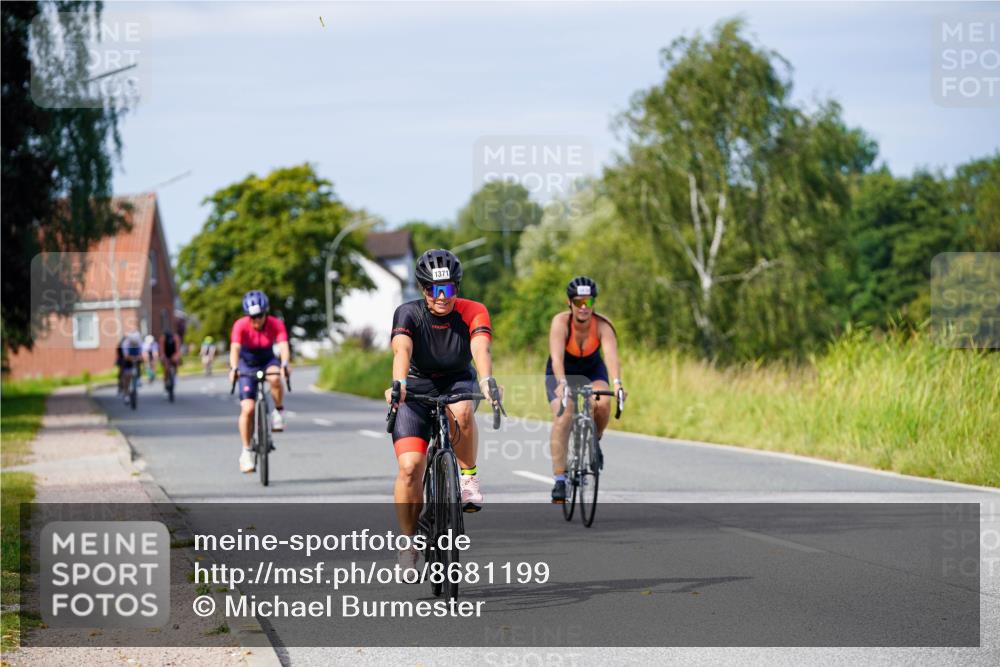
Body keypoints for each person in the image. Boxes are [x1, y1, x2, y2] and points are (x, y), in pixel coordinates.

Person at [384, 249, 502, 571]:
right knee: (410, 466)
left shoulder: (473, 310)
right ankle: (408, 545)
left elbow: (480, 346)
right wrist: (398, 383)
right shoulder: (408, 313)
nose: (441, 297)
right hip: (415, 387)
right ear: (423, 290)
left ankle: (468, 477)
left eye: (448, 289)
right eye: (434, 290)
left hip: (457, 383)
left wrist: (487, 379)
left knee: (463, 411)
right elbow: (401, 349)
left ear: (457, 289)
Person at [546, 276, 626, 503]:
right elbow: (556, 359)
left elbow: (611, 357)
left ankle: (594, 441)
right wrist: (562, 383)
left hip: (591, 369)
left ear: (594, 303)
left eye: (588, 303)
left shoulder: (602, 325)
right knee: (564, 416)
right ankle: (560, 480)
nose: (584, 308)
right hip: (562, 370)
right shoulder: (561, 323)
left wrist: (618, 383)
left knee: (603, 402)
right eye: (578, 302)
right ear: (569, 303)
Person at [229, 290, 291, 473]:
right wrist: (233, 369)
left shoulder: (276, 324)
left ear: (266, 312)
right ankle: (246, 450)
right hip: (247, 364)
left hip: (267, 360)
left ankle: (278, 411)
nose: (256, 320)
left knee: (275, 377)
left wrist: (285, 364)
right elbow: (234, 349)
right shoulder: (240, 325)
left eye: (260, 316)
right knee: (247, 408)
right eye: (253, 317)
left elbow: (283, 347)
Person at [119, 330, 144, 401]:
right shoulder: (125, 343)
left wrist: (139, 357)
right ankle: (126, 393)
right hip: (127, 360)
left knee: (139, 365)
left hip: (136, 358)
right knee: (127, 375)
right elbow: (126, 356)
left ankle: (138, 378)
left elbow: (142, 353)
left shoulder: (139, 342)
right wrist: (133, 358)